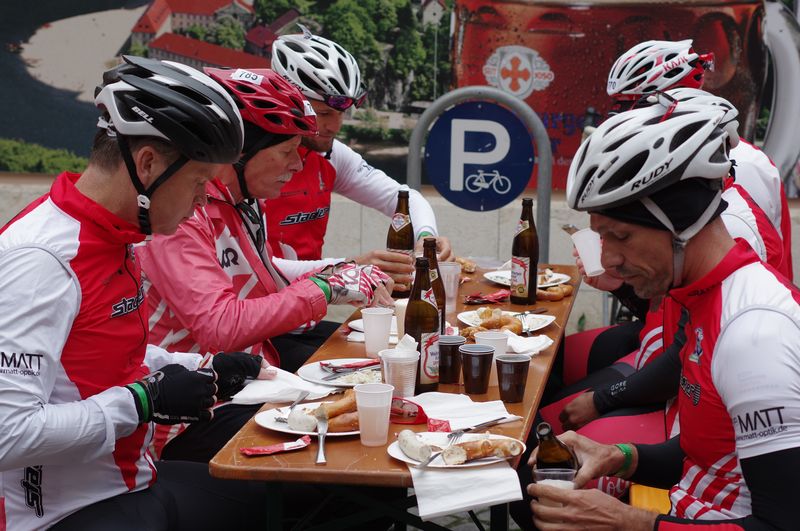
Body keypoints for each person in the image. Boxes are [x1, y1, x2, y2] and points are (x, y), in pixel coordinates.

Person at [0, 55, 272, 530]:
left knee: (279, 494)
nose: (202, 203)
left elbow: (91, 358)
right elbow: (7, 434)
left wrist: (202, 367)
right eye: (199, 182)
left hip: (128, 481)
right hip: (61, 514)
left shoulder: (114, 234)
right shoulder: (43, 261)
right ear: (148, 164)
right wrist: (144, 400)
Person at [527, 100, 800, 529]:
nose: (608, 259)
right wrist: (618, 456)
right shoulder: (705, 297)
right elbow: (708, 457)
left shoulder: (753, 335)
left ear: (681, 225)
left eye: (621, 236)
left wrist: (630, 521)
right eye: (602, 237)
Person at [138, 66, 393, 462]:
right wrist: (326, 287)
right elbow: (220, 327)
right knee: (348, 451)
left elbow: (264, 274)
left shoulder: (241, 199)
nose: (297, 166)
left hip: (247, 381)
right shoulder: (183, 213)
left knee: (374, 407)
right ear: (240, 152)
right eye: (287, 152)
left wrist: (341, 273)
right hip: (189, 414)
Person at [268, 26, 453, 293]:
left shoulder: (330, 154)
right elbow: (253, 263)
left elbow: (404, 198)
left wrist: (425, 236)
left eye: (341, 114)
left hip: (306, 306)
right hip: (257, 310)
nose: (336, 126)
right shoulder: (247, 163)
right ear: (289, 101)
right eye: (323, 114)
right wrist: (351, 267)